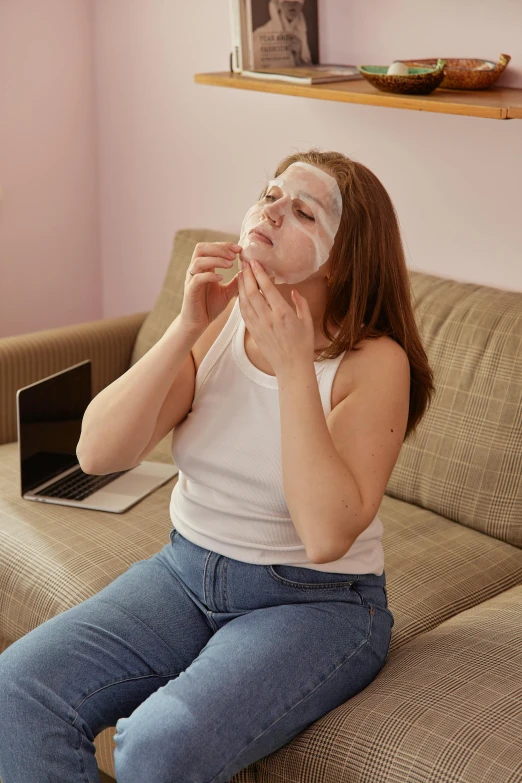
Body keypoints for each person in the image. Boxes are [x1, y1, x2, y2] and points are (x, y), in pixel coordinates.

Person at [0, 149, 434, 783]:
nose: (272, 210)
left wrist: (293, 367)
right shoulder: (222, 320)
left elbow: (325, 534)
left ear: (344, 259)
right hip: (184, 572)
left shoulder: (375, 363)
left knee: (155, 749)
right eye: (270, 194)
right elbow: (97, 453)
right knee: (17, 690)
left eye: (303, 212)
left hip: (315, 604)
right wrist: (184, 325)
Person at [252, 0, 312, 67]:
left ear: (302, 5)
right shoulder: (260, 34)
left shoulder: (304, 32)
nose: (291, 5)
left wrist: (298, 57)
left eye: (296, 2)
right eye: (286, 1)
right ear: (278, 5)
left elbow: (310, 72)